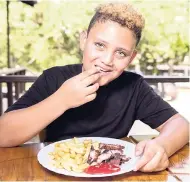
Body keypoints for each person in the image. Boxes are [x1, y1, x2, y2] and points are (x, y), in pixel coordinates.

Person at [0, 2, 189, 172]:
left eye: (121, 53)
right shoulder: (53, 78)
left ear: (131, 58)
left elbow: (181, 125)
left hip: (113, 172)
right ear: (84, 40)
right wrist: (61, 100)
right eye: (99, 45)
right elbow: (3, 134)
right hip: (58, 170)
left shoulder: (134, 87)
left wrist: (162, 146)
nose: (107, 60)